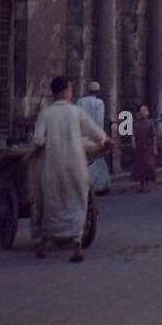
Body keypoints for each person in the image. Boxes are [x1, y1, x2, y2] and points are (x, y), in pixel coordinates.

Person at [32, 75, 111, 261]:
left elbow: (37, 139)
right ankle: (77, 245)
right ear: (65, 91)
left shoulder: (46, 113)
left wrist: (45, 142)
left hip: (52, 165)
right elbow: (94, 131)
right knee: (77, 201)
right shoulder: (76, 112)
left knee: (52, 202)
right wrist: (106, 140)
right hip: (75, 164)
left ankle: (43, 242)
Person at [76, 81, 111, 195]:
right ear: (98, 91)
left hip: (81, 134)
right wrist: (101, 136)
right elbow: (99, 120)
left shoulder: (80, 101)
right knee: (96, 160)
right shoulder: (99, 103)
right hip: (93, 135)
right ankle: (97, 185)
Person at [131, 103, 158, 191]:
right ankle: (142, 183)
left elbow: (153, 136)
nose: (144, 113)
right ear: (139, 113)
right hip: (139, 147)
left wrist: (155, 147)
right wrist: (133, 142)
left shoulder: (150, 123)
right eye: (142, 111)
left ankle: (148, 183)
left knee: (149, 165)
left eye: (146, 111)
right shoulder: (135, 123)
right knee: (140, 166)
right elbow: (133, 134)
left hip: (148, 147)